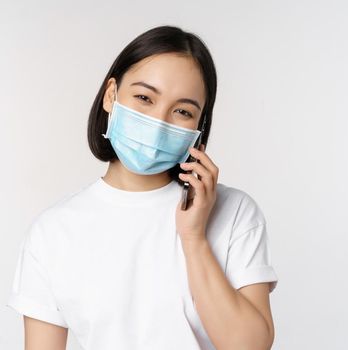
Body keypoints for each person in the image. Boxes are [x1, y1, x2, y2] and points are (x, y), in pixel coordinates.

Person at [6, 25, 279, 350]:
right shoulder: (53, 231)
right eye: (144, 98)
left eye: (182, 111)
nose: (159, 120)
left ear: (199, 126)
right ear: (111, 96)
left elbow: (249, 346)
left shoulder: (234, 213)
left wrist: (194, 239)